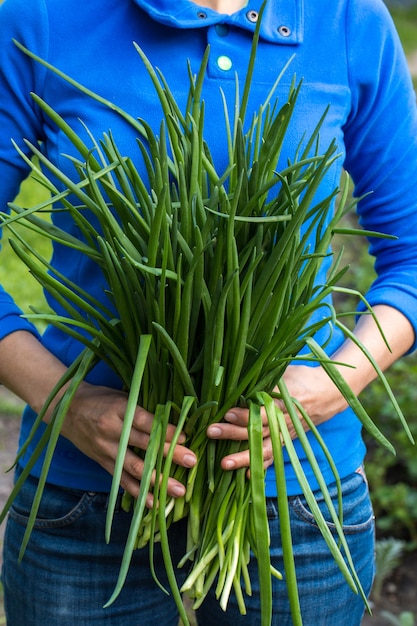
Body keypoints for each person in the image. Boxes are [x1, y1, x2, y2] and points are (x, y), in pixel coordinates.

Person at [0, 0, 416, 624]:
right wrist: (67, 404)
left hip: (295, 495)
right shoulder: (39, 18)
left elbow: (411, 254)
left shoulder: (348, 20)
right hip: (88, 488)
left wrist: (329, 390)